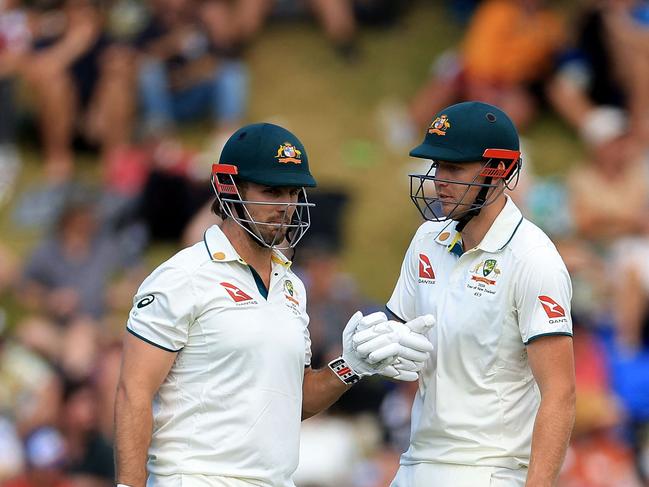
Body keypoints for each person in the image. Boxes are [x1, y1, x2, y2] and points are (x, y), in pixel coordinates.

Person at [114, 122, 435, 487]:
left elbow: (292, 400)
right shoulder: (182, 277)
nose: (285, 206)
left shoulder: (292, 287)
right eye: (271, 191)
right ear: (228, 188)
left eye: (292, 192)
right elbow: (133, 391)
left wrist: (352, 365)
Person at [385, 101, 576, 486]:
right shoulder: (426, 239)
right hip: (416, 462)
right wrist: (372, 350)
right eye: (437, 166)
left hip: (489, 470)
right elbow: (400, 345)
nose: (439, 179)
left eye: (454, 167)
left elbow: (560, 393)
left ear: (499, 170)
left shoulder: (533, 259)